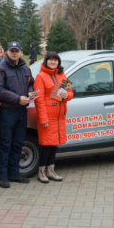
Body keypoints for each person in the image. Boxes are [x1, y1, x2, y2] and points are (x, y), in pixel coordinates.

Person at [0, 41, 34, 188]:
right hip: (6, 112)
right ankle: (3, 175)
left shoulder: (26, 68)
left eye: (17, 51)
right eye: (12, 51)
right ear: (6, 52)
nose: (14, 53)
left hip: (22, 112)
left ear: (21, 52)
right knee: (5, 144)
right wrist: (17, 98)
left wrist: (29, 90)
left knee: (17, 144)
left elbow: (30, 82)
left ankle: (14, 173)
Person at [34, 51, 74, 183]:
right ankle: (41, 172)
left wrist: (66, 96)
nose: (53, 62)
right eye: (50, 59)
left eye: (55, 60)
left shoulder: (62, 75)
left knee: (54, 144)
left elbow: (69, 92)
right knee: (46, 145)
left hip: (59, 117)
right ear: (46, 61)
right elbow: (39, 100)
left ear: (58, 62)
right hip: (48, 118)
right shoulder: (41, 76)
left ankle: (51, 171)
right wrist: (43, 119)